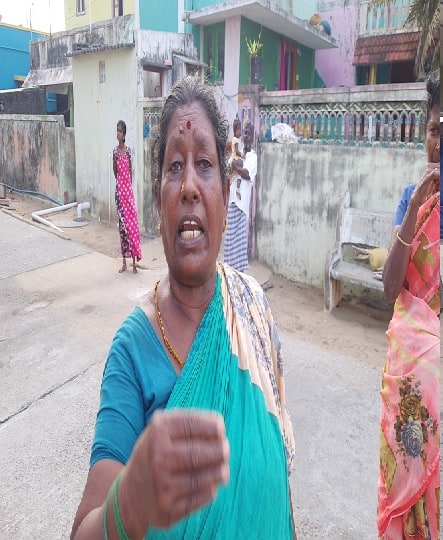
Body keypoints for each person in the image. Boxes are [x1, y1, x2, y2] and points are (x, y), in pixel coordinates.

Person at [71, 76, 295, 539]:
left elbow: (277, 491)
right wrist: (130, 499)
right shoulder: (132, 351)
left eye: (205, 165)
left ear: (224, 190)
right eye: (174, 167)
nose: (189, 185)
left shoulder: (252, 310)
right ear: (158, 202)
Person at [377, 71, 440, 539]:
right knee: (404, 473)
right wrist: (417, 202)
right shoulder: (411, 199)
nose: (440, 143)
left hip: (440, 371)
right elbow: (389, 286)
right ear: (424, 135)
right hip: (408, 365)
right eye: (435, 130)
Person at [224, 121, 257, 272]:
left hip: (242, 204)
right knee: (229, 240)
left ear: (253, 136)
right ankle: (230, 272)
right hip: (232, 200)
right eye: (245, 133)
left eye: (249, 133)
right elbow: (229, 167)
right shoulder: (238, 151)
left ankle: (239, 273)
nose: (246, 136)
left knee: (239, 242)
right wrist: (236, 165)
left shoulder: (252, 157)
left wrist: (237, 166)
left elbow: (246, 174)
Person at [113, 120, 142, 273]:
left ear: (124, 134)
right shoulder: (115, 153)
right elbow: (115, 173)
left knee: (132, 227)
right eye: (116, 131)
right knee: (122, 229)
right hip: (119, 195)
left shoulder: (129, 152)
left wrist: (127, 190)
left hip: (128, 195)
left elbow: (129, 174)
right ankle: (124, 263)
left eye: (120, 131)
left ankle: (135, 263)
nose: (117, 134)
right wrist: (120, 190)